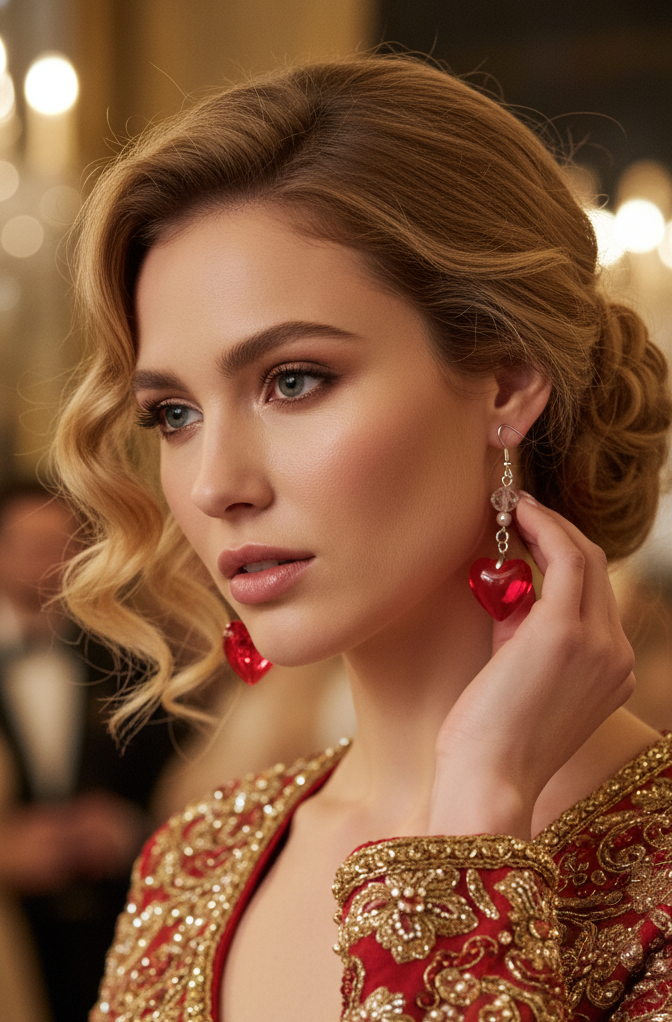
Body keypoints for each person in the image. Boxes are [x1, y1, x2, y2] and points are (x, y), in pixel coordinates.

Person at [53, 55, 672, 1021]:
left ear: (507, 383)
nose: (216, 485)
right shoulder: (194, 865)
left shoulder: (659, 887)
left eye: (293, 380)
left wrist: (476, 817)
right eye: (173, 413)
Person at [0, 483, 180, 1022]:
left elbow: (177, 782)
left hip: (112, 927)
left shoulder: (134, 661)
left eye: (62, 544)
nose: (47, 560)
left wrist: (130, 827)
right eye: (29, 543)